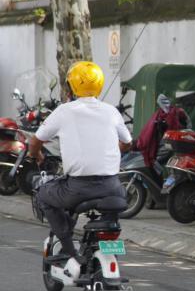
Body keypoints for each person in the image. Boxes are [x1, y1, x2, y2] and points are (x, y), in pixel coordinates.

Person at [30, 61, 132, 265]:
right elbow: (128, 143)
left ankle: (69, 251)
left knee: (43, 194)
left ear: (72, 86)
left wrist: (38, 156)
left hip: (77, 189)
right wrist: (111, 152)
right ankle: (108, 242)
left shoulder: (64, 111)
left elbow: (35, 142)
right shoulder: (111, 111)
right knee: (111, 217)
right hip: (113, 188)